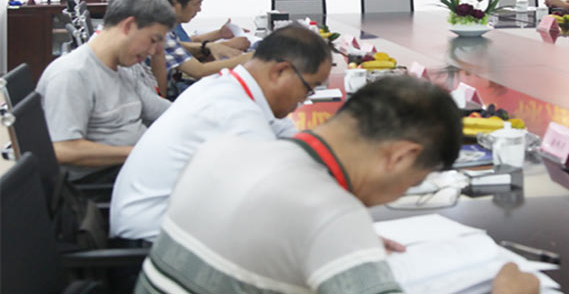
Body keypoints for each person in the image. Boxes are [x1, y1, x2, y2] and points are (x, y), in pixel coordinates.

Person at [135, 76, 540, 294]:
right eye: (415, 182)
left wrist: (325, 245)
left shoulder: (224, 149)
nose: (401, 194)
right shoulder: (329, 215)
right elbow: (313, 219)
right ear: (400, 156)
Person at [110, 24, 332, 242]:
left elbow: (292, 141)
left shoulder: (230, 87)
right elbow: (278, 191)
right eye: (308, 88)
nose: (303, 99)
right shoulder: (232, 111)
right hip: (152, 243)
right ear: (280, 71)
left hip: (168, 226)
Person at [36, 0, 176, 183]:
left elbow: (162, 110)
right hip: (102, 181)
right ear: (129, 26)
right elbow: (62, 149)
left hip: (132, 168)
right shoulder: (72, 74)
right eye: (152, 40)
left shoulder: (123, 68)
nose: (153, 51)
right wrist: (140, 152)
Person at [157, 0, 254, 98]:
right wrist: (251, 58)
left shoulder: (164, 28)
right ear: (175, 5)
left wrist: (210, 45)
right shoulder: (160, 32)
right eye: (196, 3)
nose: (199, 9)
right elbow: (199, 71)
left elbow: (179, 45)